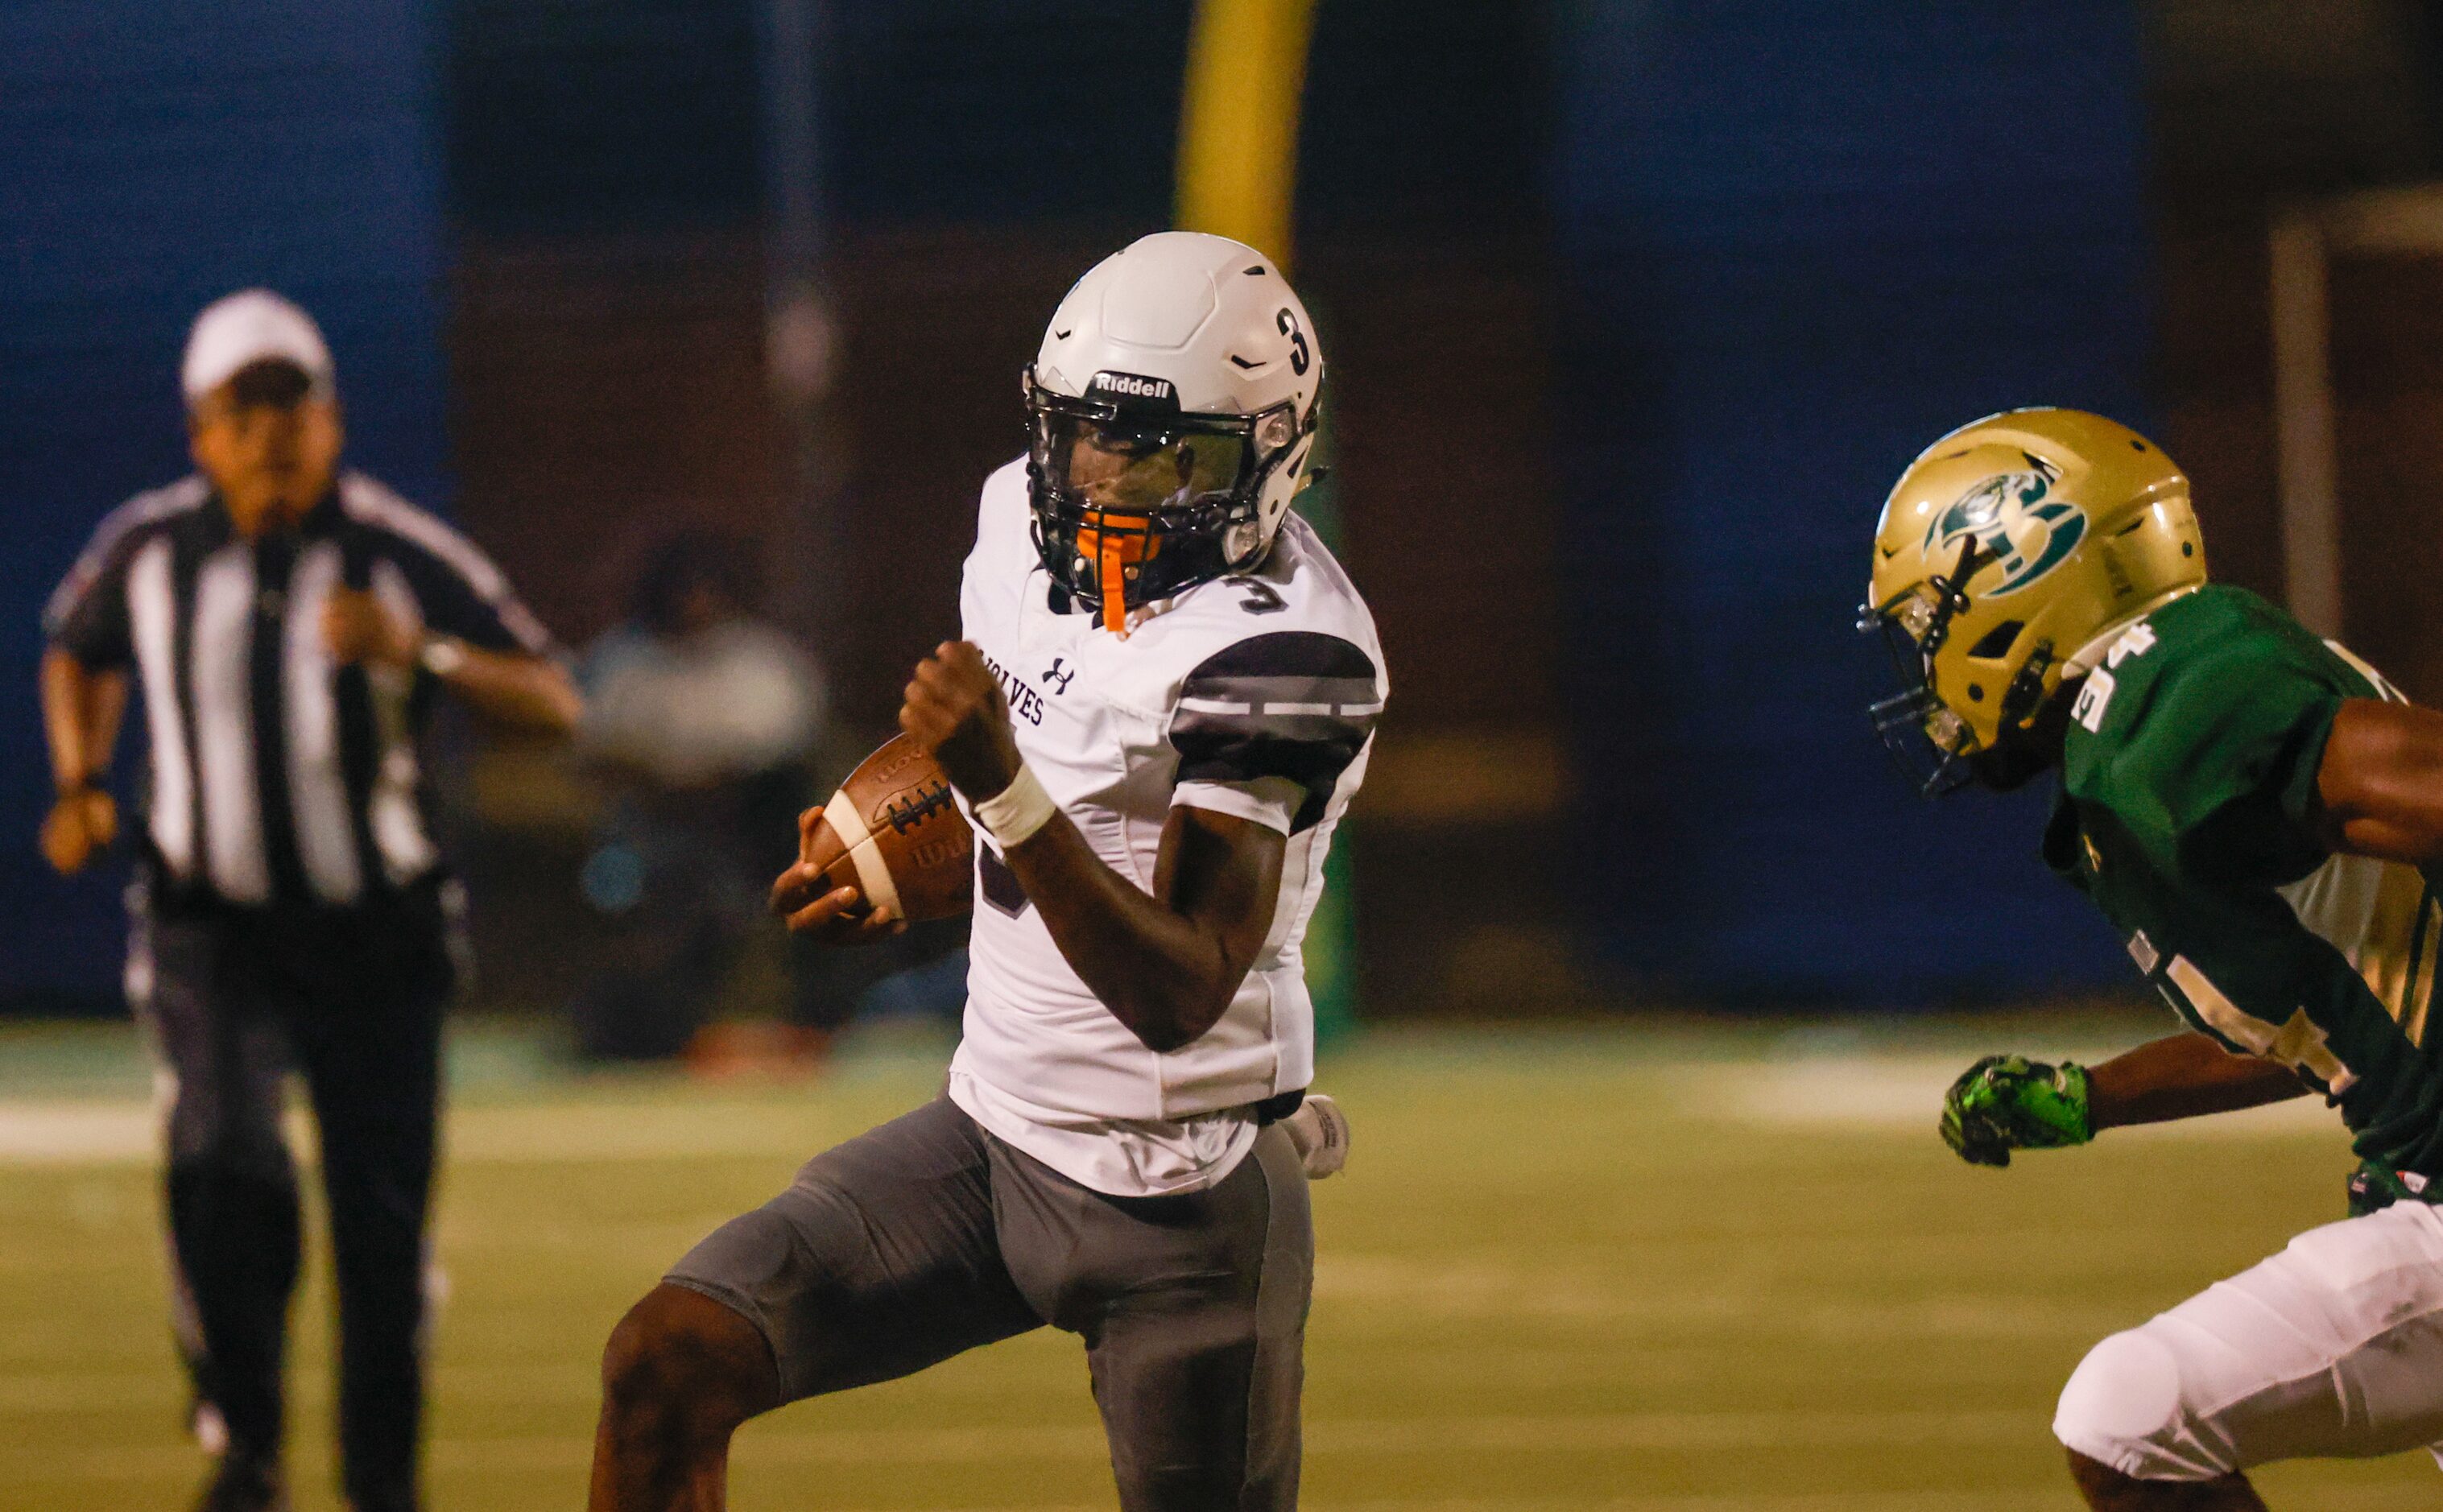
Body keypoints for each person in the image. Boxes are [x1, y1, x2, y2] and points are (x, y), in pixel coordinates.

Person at [587, 230, 1378, 1512]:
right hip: (987, 1135)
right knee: (665, 1361)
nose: (1106, 483)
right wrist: (893, 857)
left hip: (1176, 1190)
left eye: (1163, 452)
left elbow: (1176, 989)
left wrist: (995, 785)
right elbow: (1010, 777)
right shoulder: (1016, 517)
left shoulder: (1286, 652)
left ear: (1270, 452)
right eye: (1086, 437)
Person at [39, 288, 582, 1512]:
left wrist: (421, 653)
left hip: (374, 932)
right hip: (212, 927)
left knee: (378, 1228)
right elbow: (76, 643)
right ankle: (248, 1447)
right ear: (202, 432)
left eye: (295, 405)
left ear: (332, 421)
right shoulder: (150, 550)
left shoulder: (395, 551)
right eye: (247, 409)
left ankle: (381, 1483)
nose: (274, 432)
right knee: (225, 1168)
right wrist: (81, 777)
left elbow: (556, 696)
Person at [1861, 407, 2443, 1510]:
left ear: (2012, 578)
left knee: (2128, 1413)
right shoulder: (2134, 737)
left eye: (1929, 623)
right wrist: (2096, 1097)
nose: (1928, 668)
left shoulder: (2163, 698)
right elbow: (2331, 1019)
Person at [571, 531, 832, 1063]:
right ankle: (642, 1033)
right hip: (646, 837)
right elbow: (596, 755)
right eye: (681, 590)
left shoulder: (762, 663)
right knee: (622, 885)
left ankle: (803, 1022)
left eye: (705, 589)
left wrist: (707, 784)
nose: (695, 603)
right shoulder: (624, 663)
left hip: (755, 836)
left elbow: (777, 761)